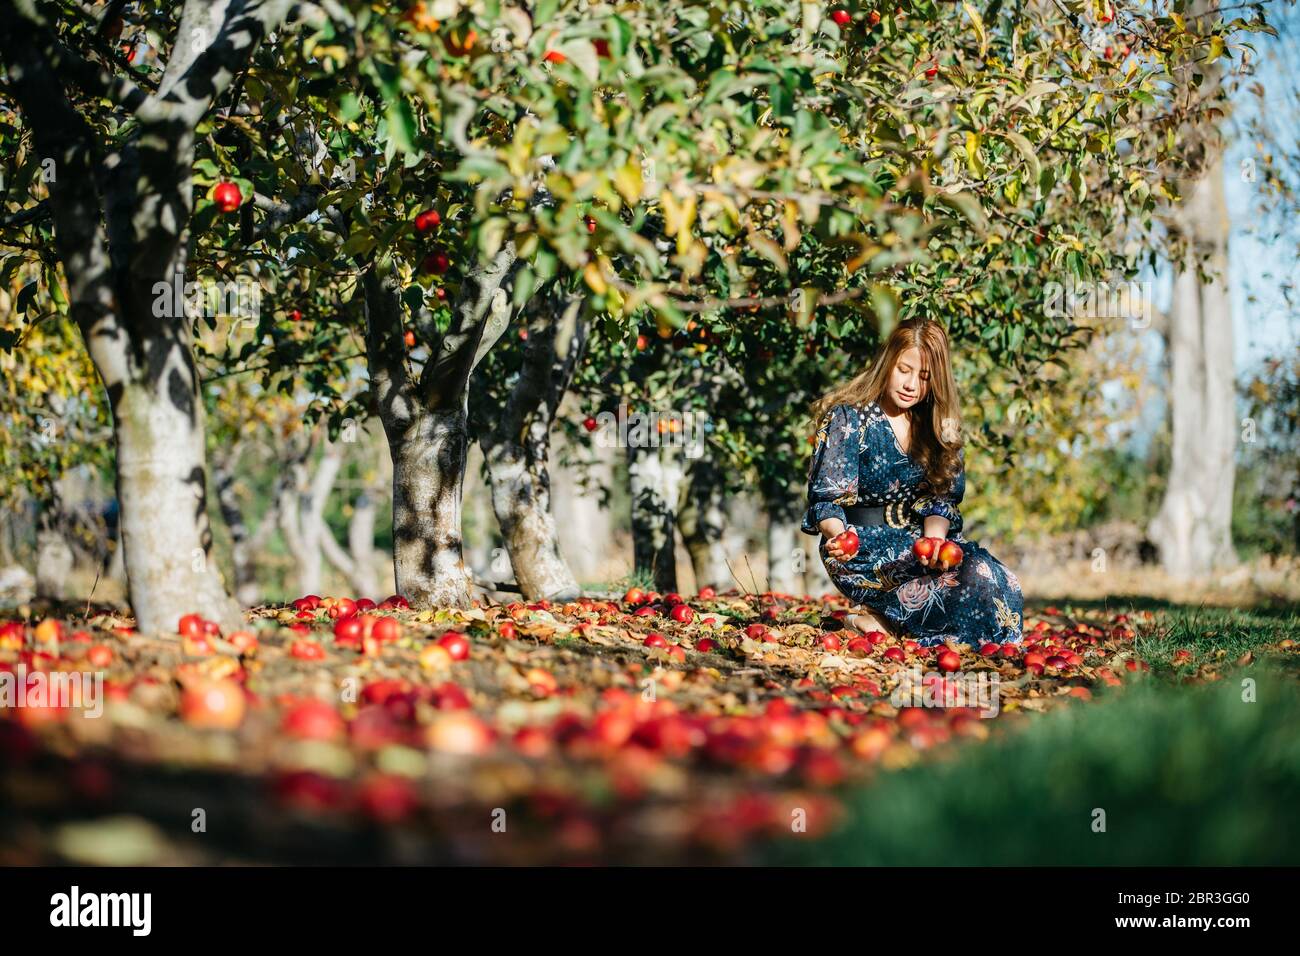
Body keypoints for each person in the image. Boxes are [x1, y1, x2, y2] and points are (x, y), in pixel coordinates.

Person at [801, 318, 1023, 647]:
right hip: (862, 548)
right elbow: (827, 499)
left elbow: (942, 497)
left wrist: (934, 544)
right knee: (964, 585)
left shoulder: (939, 424)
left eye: (924, 377)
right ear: (887, 362)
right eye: (904, 369)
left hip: (916, 542)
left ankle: (879, 622)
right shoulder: (849, 417)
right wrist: (837, 533)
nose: (911, 385)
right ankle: (890, 619)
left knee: (993, 576)